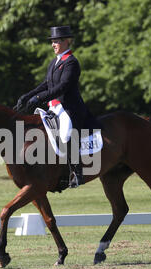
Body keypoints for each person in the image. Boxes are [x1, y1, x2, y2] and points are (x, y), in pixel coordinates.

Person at [14, 26, 90, 188]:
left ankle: (77, 173)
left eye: (56, 41)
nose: (53, 44)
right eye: (52, 42)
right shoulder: (55, 62)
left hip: (69, 108)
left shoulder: (71, 62)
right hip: (54, 107)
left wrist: (39, 98)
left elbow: (63, 87)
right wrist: (28, 96)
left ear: (66, 41)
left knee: (65, 135)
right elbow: (47, 84)